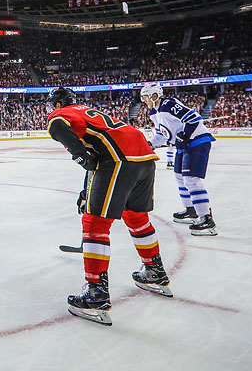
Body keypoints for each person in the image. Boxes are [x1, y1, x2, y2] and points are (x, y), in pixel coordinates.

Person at [46, 87, 171, 327]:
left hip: (118, 159)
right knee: (136, 218)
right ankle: (154, 271)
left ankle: (96, 294)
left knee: (95, 223)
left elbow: (58, 127)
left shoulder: (61, 114)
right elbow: (96, 150)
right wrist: (87, 186)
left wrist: (80, 157)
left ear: (58, 103)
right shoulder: (87, 111)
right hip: (143, 157)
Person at [140, 83, 217, 236]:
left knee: (191, 180)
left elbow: (194, 118)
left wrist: (184, 135)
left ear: (154, 96)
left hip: (196, 141)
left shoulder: (168, 104)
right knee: (180, 177)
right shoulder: (154, 113)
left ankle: (206, 219)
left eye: (146, 97)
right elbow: (161, 135)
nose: (144, 101)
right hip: (184, 146)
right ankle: (191, 210)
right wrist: (150, 145)